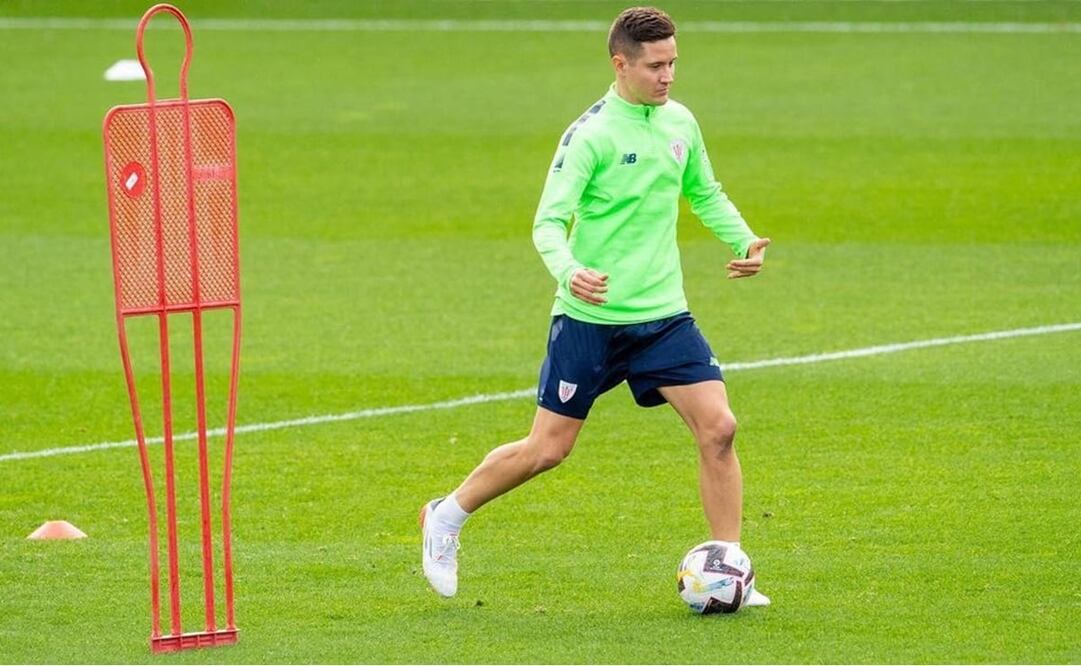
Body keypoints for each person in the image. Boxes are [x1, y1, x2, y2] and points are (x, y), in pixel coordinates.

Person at [420, 6, 772, 605]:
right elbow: (548, 223)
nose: (668, 77)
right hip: (591, 321)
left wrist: (742, 238)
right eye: (656, 66)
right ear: (621, 63)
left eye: (673, 64)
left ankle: (728, 567)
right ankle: (446, 516)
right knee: (548, 450)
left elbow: (702, 191)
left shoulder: (680, 122)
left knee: (719, 428)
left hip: (663, 316)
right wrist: (570, 271)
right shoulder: (590, 136)